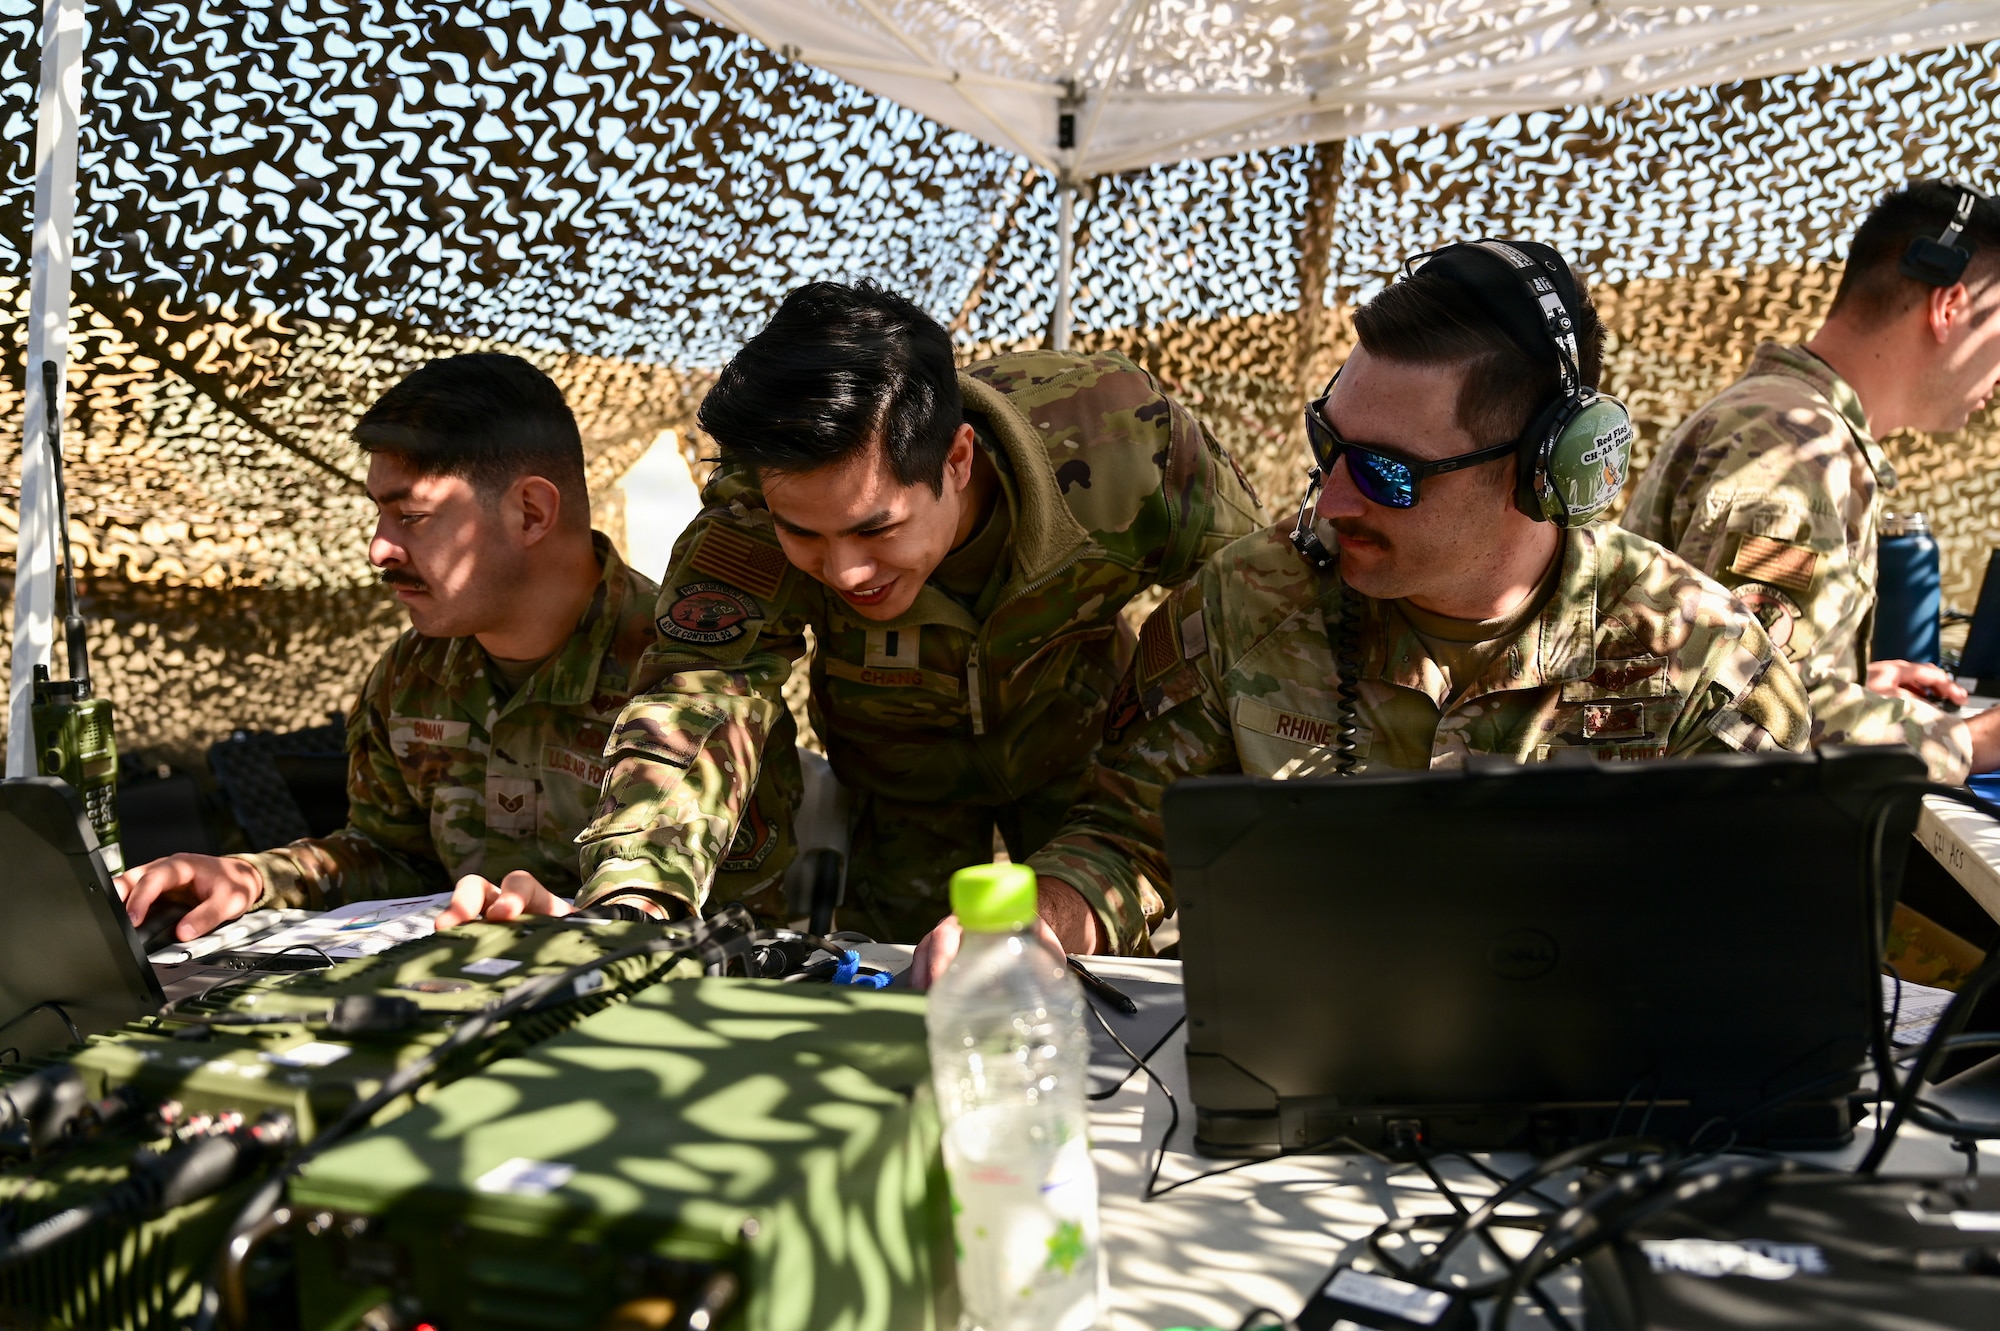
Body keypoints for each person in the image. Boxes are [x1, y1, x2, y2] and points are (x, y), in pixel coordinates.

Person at [911, 239, 1815, 984]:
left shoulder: (1702, 661)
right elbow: (1129, 840)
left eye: (1387, 471)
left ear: (1541, 472)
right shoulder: (1247, 599)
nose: (1332, 498)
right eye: (1326, 442)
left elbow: (1765, 935)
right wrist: (1044, 919)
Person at [439, 279, 1265, 940]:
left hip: (1084, 761)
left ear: (958, 458)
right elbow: (699, 696)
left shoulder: (1123, 437)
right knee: (908, 981)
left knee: (1120, 991)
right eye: (807, 533)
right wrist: (635, 895)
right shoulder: (749, 512)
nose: (845, 570)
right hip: (898, 784)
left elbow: (1252, 605)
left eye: (877, 527)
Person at [115, 353, 658, 941]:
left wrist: (602, 924)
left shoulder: (685, 674)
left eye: (412, 515)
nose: (379, 549)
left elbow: (749, 920)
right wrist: (252, 878)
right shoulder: (413, 674)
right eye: (381, 515)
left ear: (529, 513)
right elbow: (393, 858)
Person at [1624, 179, 2000, 784]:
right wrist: (1971, 740)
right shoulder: (1792, 450)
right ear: (1949, 308)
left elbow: (1747, 668)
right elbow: (1744, 718)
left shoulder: (1784, 424)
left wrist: (1848, 686)